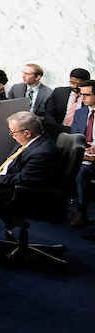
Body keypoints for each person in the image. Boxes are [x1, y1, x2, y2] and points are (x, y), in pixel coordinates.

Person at [0, 111, 61, 212]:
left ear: (27, 133)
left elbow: (24, 178)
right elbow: (13, 164)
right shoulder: (32, 140)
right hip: (9, 181)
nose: (11, 135)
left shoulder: (42, 153)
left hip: (18, 193)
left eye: (13, 132)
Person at [68, 81, 95, 227]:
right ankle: (81, 211)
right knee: (81, 170)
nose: (82, 98)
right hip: (85, 158)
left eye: (86, 95)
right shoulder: (80, 112)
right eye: (81, 94)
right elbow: (75, 137)